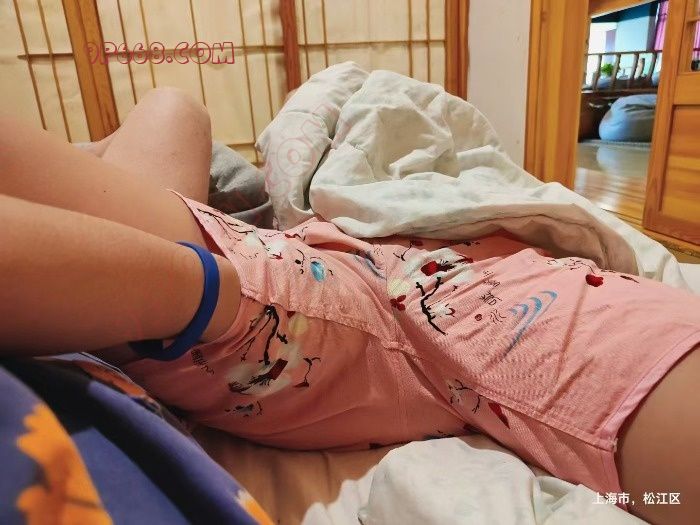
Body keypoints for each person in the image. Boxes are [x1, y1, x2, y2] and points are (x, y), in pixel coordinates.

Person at [1, 88, 698, 525]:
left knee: (173, 129)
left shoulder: (540, 321)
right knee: (173, 105)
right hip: (336, 243)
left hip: (323, 286)